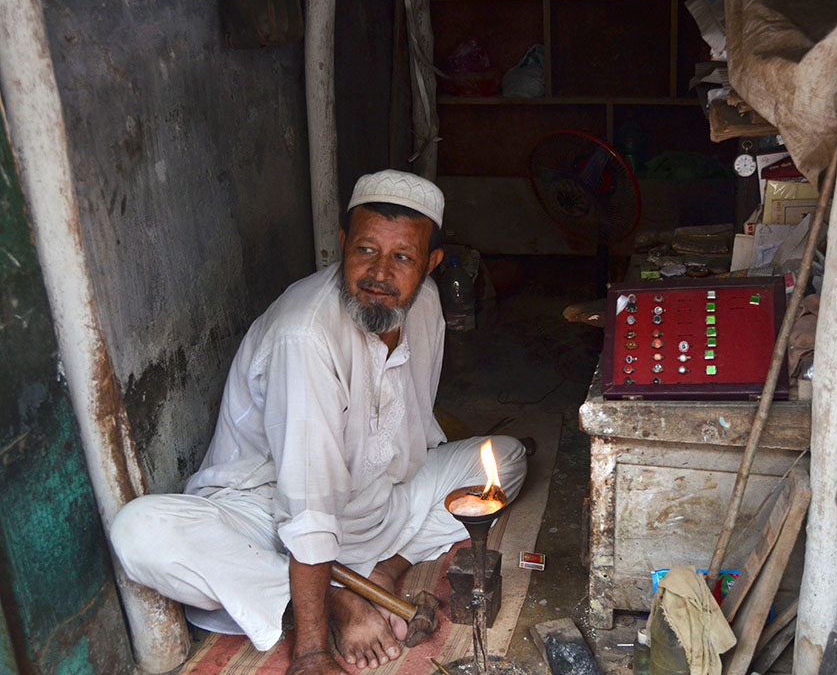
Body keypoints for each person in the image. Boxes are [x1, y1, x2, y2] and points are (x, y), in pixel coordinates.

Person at [111, 170, 527, 674]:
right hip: (270, 516)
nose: (379, 273)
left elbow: (412, 436)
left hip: (377, 502)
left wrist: (395, 519)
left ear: (431, 264)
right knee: (141, 532)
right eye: (366, 250)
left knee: (506, 459)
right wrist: (312, 653)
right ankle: (335, 599)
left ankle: (381, 574)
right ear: (342, 244)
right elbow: (305, 500)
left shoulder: (427, 307)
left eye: (402, 258)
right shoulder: (305, 334)